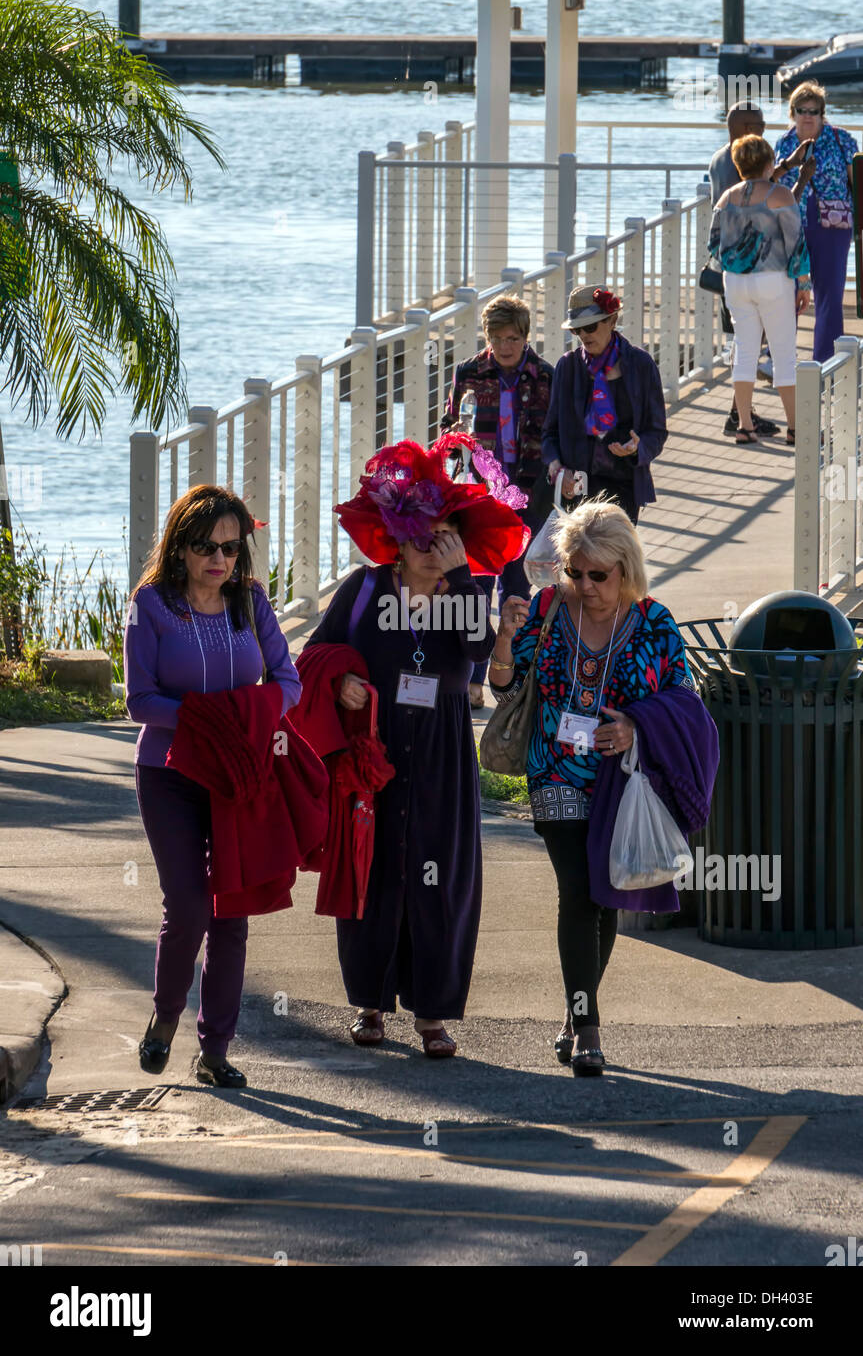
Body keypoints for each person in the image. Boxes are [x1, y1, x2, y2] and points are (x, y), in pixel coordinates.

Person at [300, 438, 527, 1058]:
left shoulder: (463, 591)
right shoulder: (365, 590)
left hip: (443, 754)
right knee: (371, 871)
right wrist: (342, 680)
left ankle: (433, 1013)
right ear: (396, 537)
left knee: (440, 878)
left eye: (448, 537)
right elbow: (312, 655)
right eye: (423, 537)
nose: (434, 549)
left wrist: (461, 579)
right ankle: (370, 1005)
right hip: (373, 750)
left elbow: (482, 656)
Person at [488, 499, 718, 1077]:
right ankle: (589, 1026)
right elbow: (503, 686)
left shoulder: (656, 622)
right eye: (574, 572)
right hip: (555, 769)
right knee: (579, 892)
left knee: (606, 891)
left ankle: (573, 1013)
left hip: (618, 777)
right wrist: (504, 639)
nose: (584, 585)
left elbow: (683, 700)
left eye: (598, 575)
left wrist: (636, 724)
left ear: (625, 570)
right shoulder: (544, 608)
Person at [124, 485, 303, 1088]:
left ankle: (216, 1049)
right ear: (180, 548)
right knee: (190, 905)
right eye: (205, 545)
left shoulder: (250, 602)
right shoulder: (151, 605)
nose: (219, 558)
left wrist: (245, 716)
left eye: (230, 546)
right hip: (170, 773)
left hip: (237, 776)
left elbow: (288, 681)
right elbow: (140, 701)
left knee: (232, 913)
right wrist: (215, 717)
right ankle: (165, 1018)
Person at [439, 293, 554, 709]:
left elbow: (555, 436)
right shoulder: (469, 372)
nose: (505, 346)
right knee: (475, 586)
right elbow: (449, 429)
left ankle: (513, 674)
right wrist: (454, 444)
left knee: (519, 588)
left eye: (513, 338)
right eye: (498, 338)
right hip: (481, 497)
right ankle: (471, 678)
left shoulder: (544, 375)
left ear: (525, 337)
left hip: (527, 496)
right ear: (487, 337)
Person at [709, 135, 811, 445]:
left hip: (736, 282)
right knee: (783, 354)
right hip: (773, 280)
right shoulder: (780, 195)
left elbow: (713, 244)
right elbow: (796, 243)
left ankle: (744, 426)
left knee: (744, 350)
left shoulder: (726, 198)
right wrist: (803, 282)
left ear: (739, 166)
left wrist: (738, 260)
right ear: (769, 163)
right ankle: (795, 429)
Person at [541, 285, 667, 524]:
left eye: (590, 327)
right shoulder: (568, 367)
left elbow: (657, 431)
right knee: (573, 560)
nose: (585, 335)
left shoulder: (641, 365)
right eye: (578, 330)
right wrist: (557, 468)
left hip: (624, 486)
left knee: (615, 559)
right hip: (578, 487)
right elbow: (549, 433)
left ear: (612, 320)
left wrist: (637, 448)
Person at [773, 81, 860, 364]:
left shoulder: (841, 140)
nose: (808, 116)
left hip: (833, 227)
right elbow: (772, 184)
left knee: (829, 296)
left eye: (814, 110)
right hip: (791, 227)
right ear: (792, 112)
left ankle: (827, 362)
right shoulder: (784, 144)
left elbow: (855, 182)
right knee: (787, 295)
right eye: (802, 110)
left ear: (823, 112)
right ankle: (782, 362)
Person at [707, 101, 778, 437]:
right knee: (746, 340)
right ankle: (739, 416)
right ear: (737, 126)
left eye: (761, 125)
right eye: (754, 124)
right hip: (742, 265)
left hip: (739, 264)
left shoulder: (730, 157)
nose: (759, 131)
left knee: (746, 340)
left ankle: (741, 412)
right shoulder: (734, 162)